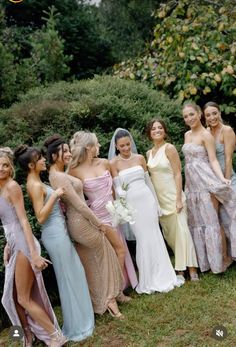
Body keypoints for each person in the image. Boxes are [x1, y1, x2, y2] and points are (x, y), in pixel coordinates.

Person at [15, 145, 95, 342]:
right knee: (68, 277)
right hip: (54, 234)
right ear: (32, 165)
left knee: (74, 273)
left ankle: (83, 319)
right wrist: (56, 195)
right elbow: (40, 217)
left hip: (59, 231)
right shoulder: (33, 185)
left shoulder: (37, 181)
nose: (44, 160)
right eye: (40, 158)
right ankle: (77, 325)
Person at [44, 135, 124, 319]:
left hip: (81, 221)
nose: (68, 153)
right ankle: (111, 300)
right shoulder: (57, 177)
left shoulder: (62, 174)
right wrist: (99, 223)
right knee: (107, 255)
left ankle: (100, 302)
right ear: (55, 155)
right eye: (64, 151)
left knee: (92, 262)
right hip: (81, 223)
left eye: (67, 149)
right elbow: (79, 205)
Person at [0, 147, 66, 347]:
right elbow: (6, 222)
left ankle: (56, 335)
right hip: (13, 243)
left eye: (5, 165)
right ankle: (24, 337)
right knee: (8, 298)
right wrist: (6, 245)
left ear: (10, 168)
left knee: (23, 298)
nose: (1, 169)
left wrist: (34, 254)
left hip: (23, 244)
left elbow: (23, 221)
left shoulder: (12, 187)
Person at [109, 128, 184, 294]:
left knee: (155, 235)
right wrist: (121, 199)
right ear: (116, 146)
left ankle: (164, 275)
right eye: (122, 146)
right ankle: (148, 278)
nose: (126, 148)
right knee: (142, 238)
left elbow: (148, 182)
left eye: (128, 144)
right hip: (132, 206)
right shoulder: (113, 163)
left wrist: (156, 204)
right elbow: (116, 187)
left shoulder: (140, 158)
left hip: (147, 200)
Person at [68, 131, 138, 296]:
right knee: (116, 250)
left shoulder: (105, 163)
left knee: (118, 250)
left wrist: (120, 207)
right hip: (97, 216)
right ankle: (116, 292)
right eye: (97, 144)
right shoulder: (74, 170)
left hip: (113, 212)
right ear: (88, 148)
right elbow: (71, 194)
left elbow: (114, 188)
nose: (99, 146)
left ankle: (120, 286)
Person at [182, 102, 236, 273]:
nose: (189, 118)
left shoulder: (214, 133)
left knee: (221, 221)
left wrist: (224, 180)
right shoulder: (190, 134)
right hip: (195, 183)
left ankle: (224, 259)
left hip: (213, 179)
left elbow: (219, 159)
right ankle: (210, 260)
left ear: (199, 114)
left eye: (192, 114)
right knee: (205, 221)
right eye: (186, 116)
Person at [146, 119, 199, 280]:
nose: (157, 130)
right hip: (160, 200)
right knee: (171, 235)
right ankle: (180, 267)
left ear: (165, 131)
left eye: (160, 127)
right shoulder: (148, 153)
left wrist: (178, 198)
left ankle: (190, 270)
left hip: (173, 196)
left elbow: (177, 173)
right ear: (149, 133)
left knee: (182, 232)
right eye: (154, 128)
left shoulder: (169, 148)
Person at [203, 101, 236, 190]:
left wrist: (227, 183)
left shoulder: (227, 130)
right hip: (211, 180)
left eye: (214, 113)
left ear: (219, 113)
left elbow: (228, 159)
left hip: (226, 178)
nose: (212, 117)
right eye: (208, 115)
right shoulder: (206, 132)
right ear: (205, 117)